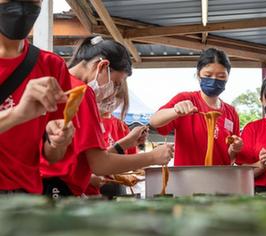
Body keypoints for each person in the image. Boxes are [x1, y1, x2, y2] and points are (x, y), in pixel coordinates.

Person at [40, 36, 173, 197]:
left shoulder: (57, 83)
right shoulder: (81, 92)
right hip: (57, 188)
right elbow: (99, 164)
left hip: (41, 185)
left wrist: (124, 144)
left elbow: (84, 158)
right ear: (103, 66)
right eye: (116, 83)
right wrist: (152, 157)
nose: (113, 92)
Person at [0, 0, 75, 194]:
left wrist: (58, 140)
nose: (23, 6)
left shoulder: (52, 66)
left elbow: (52, 156)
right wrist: (16, 114)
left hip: (26, 197)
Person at [149, 48, 242, 166]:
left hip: (220, 178)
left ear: (228, 77)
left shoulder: (231, 112)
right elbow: (154, 121)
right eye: (208, 75)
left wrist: (234, 149)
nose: (214, 80)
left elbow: (230, 159)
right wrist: (175, 111)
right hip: (188, 178)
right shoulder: (185, 99)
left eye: (221, 76)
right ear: (198, 75)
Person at [86, 80, 147, 195]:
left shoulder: (121, 127)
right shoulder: (86, 121)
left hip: (116, 190)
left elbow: (133, 163)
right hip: (86, 192)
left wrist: (144, 168)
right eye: (108, 95)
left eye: (117, 97)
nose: (111, 101)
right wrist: (89, 177)